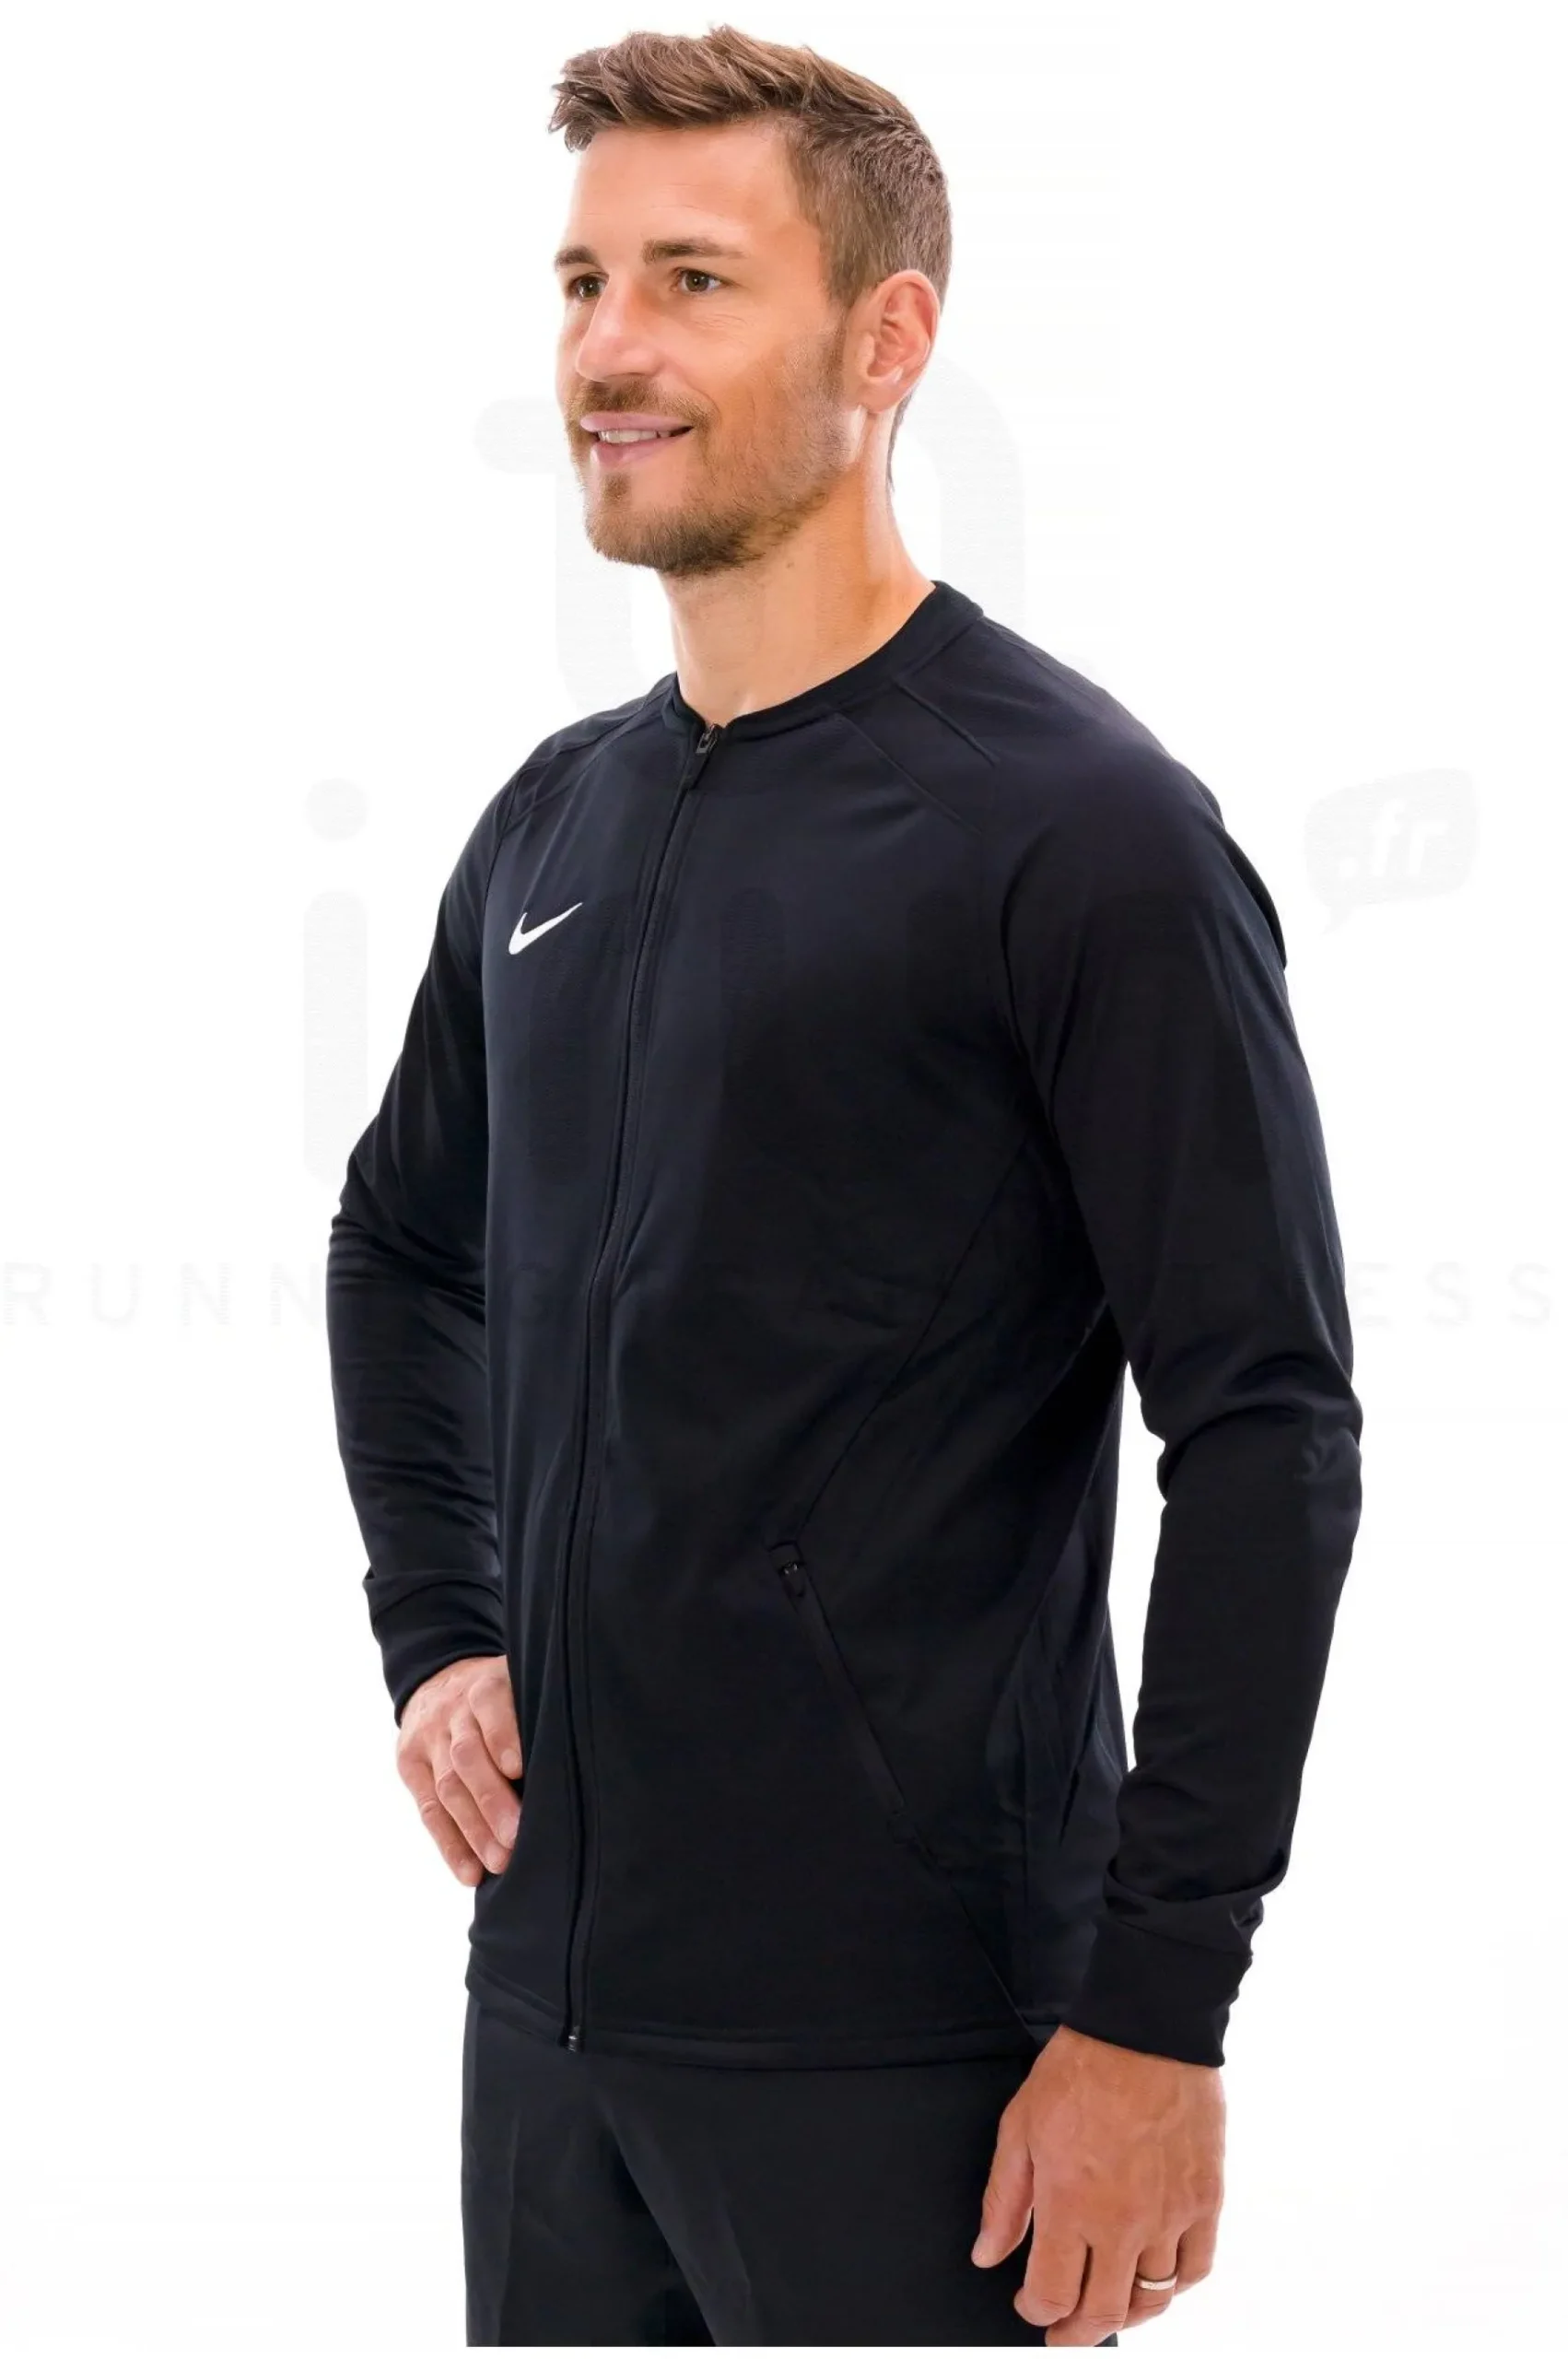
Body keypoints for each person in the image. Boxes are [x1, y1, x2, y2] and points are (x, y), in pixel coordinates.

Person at [324, 24, 1363, 2348]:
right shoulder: (554, 821)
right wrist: (438, 1622)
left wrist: (1155, 2013)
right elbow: (398, 1240)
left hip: (922, 2045)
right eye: (581, 281)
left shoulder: (1079, 832)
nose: (607, 348)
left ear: (886, 340)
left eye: (691, 280)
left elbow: (1266, 1427)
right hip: (553, 2014)